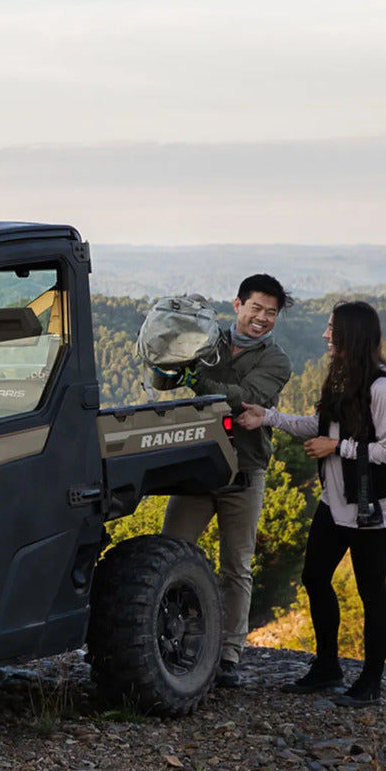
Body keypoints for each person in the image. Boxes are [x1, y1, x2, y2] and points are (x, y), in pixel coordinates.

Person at [237, 301, 386, 707]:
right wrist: (268, 418)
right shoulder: (341, 380)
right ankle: (328, 668)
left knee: (372, 593)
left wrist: (339, 447)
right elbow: (319, 426)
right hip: (334, 504)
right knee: (315, 579)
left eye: (332, 328)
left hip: (368, 509)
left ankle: (370, 682)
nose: (325, 335)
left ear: (351, 334)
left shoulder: (380, 388)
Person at [154, 274, 293, 688]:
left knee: (237, 567)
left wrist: (194, 378)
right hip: (195, 466)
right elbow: (163, 379)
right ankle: (164, 641)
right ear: (237, 305)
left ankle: (229, 654)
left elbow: (244, 397)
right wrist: (166, 357)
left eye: (271, 313)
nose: (262, 318)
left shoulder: (277, 360)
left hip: (244, 471)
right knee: (170, 554)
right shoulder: (206, 339)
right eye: (256, 308)